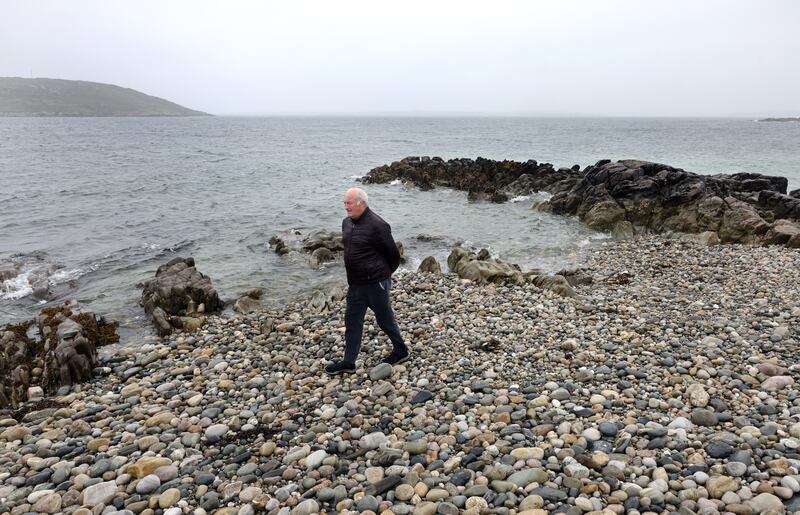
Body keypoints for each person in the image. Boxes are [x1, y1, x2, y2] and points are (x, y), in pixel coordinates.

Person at [324, 188, 410, 375]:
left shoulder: (377, 225)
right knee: (352, 321)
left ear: (361, 203)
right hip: (355, 284)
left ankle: (401, 350)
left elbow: (394, 256)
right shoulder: (346, 223)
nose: (345, 207)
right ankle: (349, 362)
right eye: (344, 202)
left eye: (349, 203)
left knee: (384, 320)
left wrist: (382, 276)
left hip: (375, 284)